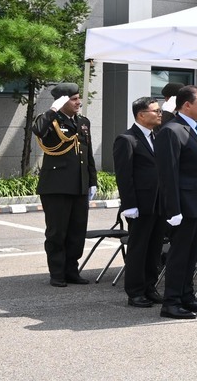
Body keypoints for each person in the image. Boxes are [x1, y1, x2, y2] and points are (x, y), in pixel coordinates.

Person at [154, 85, 197, 319]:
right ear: (186, 105)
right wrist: (173, 209)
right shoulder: (172, 131)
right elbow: (167, 174)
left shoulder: (193, 129)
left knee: (191, 255)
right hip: (184, 206)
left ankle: (186, 296)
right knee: (180, 255)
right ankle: (171, 302)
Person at [31, 82, 99, 287]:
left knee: (77, 232)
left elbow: (87, 154)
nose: (79, 102)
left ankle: (72, 270)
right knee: (57, 232)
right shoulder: (49, 120)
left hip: (79, 185)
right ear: (62, 101)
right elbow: (38, 130)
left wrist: (92, 181)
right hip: (56, 186)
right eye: (74, 99)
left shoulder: (83, 122)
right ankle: (57, 273)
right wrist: (53, 109)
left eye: (79, 98)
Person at [113, 96, 165, 307]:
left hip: (159, 202)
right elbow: (124, 176)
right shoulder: (127, 139)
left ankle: (150, 287)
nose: (160, 114)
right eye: (156, 111)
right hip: (141, 204)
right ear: (141, 115)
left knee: (155, 248)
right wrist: (129, 204)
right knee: (139, 248)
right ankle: (135, 291)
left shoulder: (157, 136)